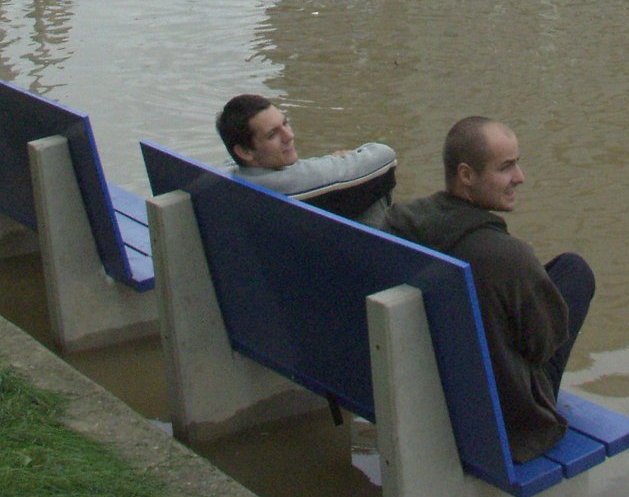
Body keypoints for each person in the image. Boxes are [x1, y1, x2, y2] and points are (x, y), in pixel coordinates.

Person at [385, 115, 595, 464]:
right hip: (502, 417)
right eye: (506, 167)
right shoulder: (506, 258)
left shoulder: (401, 224)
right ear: (466, 175)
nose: (520, 178)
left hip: (428, 387)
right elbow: (542, 346)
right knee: (575, 272)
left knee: (553, 277)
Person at [215, 93, 396, 226]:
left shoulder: (226, 179)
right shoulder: (287, 186)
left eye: (285, 123)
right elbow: (384, 157)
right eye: (272, 135)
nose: (289, 136)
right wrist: (338, 159)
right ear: (245, 152)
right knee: (371, 191)